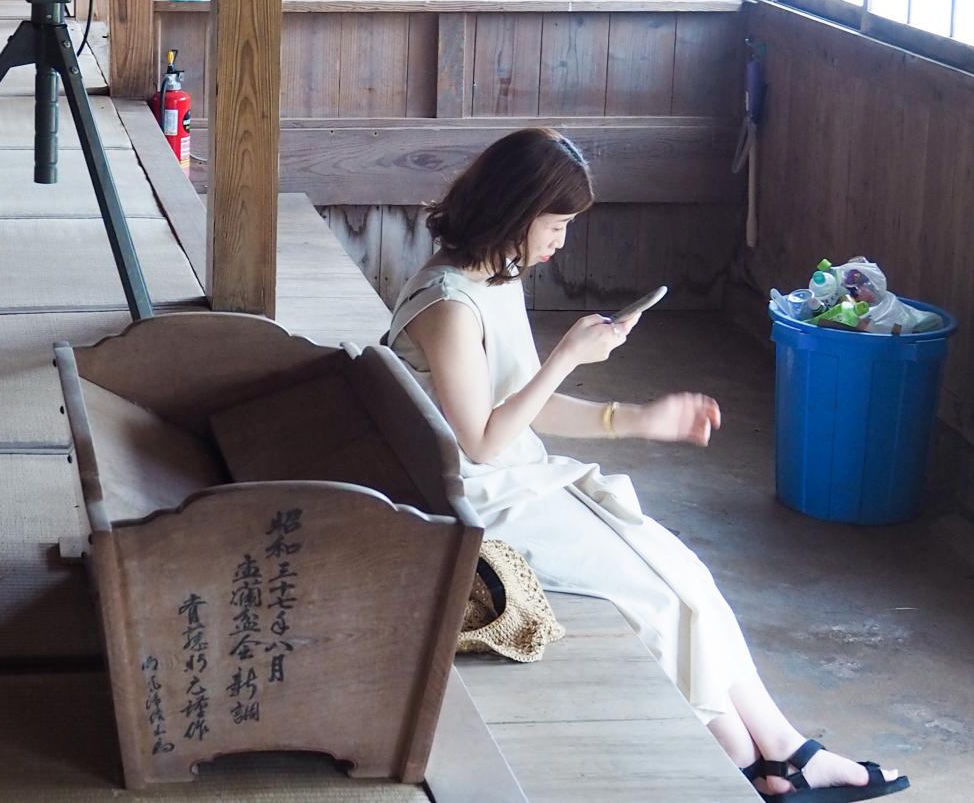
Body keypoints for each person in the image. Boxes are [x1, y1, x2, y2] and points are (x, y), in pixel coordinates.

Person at [385, 128, 908, 802]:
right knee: (658, 597)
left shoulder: (495, 278)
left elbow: (525, 406)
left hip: (521, 480)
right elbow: (483, 440)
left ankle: (779, 753)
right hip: (479, 500)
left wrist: (637, 418)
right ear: (515, 212)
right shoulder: (450, 305)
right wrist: (567, 357)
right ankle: (747, 759)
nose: (560, 242)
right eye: (557, 224)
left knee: (686, 572)